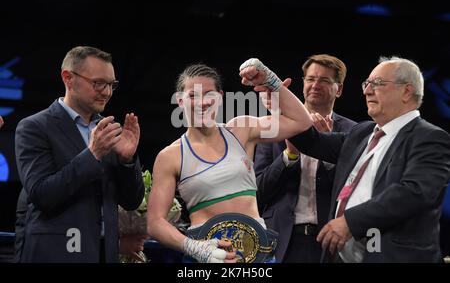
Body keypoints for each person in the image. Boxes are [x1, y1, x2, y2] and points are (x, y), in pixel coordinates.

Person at [146, 60, 313, 263]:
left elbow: (302, 122)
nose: (202, 102)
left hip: (258, 255)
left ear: (221, 98)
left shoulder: (241, 130)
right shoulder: (171, 156)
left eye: (209, 94)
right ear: (180, 101)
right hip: (204, 258)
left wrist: (271, 80)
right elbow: (155, 223)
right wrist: (194, 248)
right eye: (192, 96)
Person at [288, 56, 450, 262]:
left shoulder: (430, 137)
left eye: (377, 84)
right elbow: (310, 142)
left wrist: (350, 222)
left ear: (407, 91)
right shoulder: (362, 132)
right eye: (367, 84)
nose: (366, 91)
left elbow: (414, 192)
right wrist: (275, 91)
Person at [15, 46, 144, 262]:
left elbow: (131, 201)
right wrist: (92, 154)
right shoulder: (34, 127)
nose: (107, 92)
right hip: (55, 254)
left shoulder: (109, 131)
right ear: (68, 78)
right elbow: (42, 195)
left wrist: (127, 160)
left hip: (104, 254)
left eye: (111, 84)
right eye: (98, 83)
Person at [254, 54, 357, 262]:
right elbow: (257, 191)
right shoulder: (273, 127)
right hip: (281, 239)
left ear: (340, 89)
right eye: (310, 79)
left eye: (325, 80)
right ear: (302, 84)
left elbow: (355, 192)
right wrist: (289, 155)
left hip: (331, 240)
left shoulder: (354, 132)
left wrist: (327, 151)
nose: (315, 85)